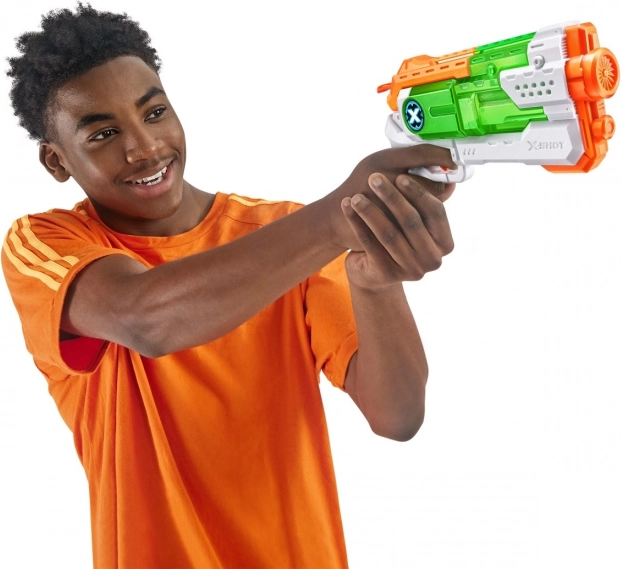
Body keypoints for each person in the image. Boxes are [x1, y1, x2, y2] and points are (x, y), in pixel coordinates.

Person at [2, 4, 457, 568]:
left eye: (155, 112)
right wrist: (340, 218)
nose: (145, 147)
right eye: (103, 134)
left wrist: (373, 279)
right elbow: (146, 317)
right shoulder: (45, 244)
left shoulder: (285, 233)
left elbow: (398, 416)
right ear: (55, 161)